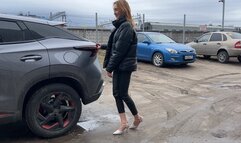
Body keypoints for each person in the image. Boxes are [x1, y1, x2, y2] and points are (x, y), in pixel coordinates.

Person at [103, 0, 143, 135]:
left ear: (123, 9)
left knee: (123, 94)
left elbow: (119, 51)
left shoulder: (126, 26)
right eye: (114, 9)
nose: (115, 12)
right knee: (116, 94)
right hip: (119, 65)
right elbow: (113, 46)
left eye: (117, 9)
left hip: (125, 66)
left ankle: (137, 118)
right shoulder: (119, 27)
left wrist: (109, 67)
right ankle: (124, 122)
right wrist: (98, 46)